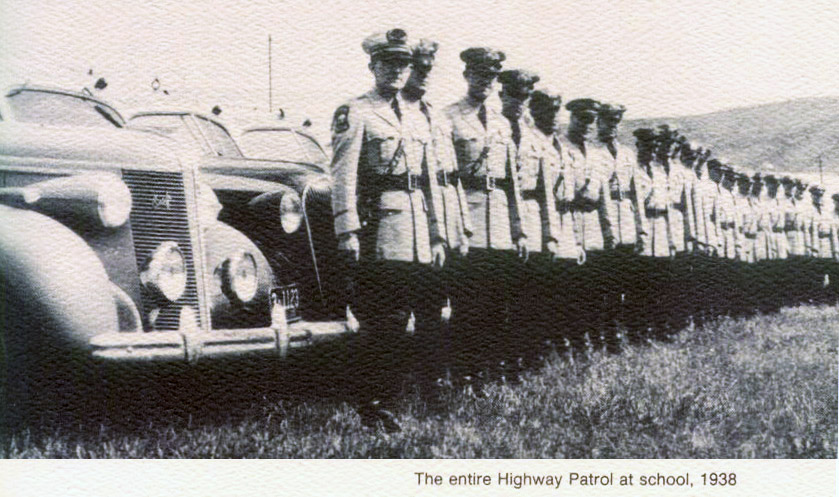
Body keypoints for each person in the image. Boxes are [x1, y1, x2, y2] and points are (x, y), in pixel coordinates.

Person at [329, 28, 447, 431]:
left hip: (415, 230)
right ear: (372, 66)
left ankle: (388, 398)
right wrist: (347, 230)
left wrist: (437, 233)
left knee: (407, 319)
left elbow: (429, 180)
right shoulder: (356, 111)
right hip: (380, 228)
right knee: (385, 321)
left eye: (403, 64)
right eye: (388, 63)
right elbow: (343, 176)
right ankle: (370, 401)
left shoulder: (418, 116)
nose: (396, 71)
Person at [444, 47, 527, 373]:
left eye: (490, 77)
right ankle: (466, 372)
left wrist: (519, 228)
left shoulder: (502, 123)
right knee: (469, 302)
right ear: (467, 76)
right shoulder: (449, 117)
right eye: (478, 75)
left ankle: (491, 368)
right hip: (470, 217)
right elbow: (448, 178)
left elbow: (512, 182)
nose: (484, 82)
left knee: (496, 301)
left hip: (500, 222)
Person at [401, 38, 472, 383]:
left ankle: (453, 372)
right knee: (422, 299)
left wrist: (463, 224)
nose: (424, 74)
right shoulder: (396, 112)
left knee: (453, 297)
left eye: (428, 68)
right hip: (417, 216)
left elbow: (452, 174)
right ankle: (424, 377)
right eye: (418, 67)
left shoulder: (437, 114)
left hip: (449, 214)